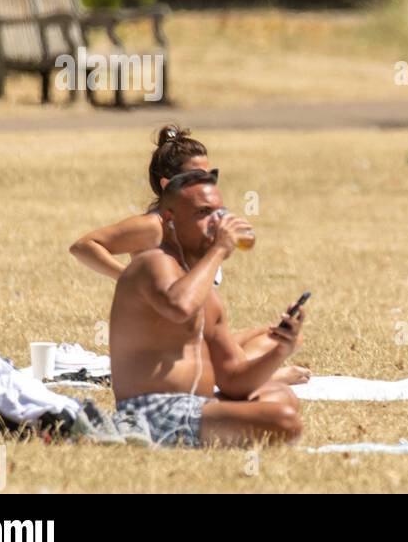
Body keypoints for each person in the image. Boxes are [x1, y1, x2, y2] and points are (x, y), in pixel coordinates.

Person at [70, 124, 311, 383]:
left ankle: (238, 371)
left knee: (287, 336)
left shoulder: (200, 225)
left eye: (209, 176)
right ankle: (261, 377)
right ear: (167, 185)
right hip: (165, 344)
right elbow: (83, 247)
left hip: (198, 332)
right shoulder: (153, 226)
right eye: (196, 177)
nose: (205, 184)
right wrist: (130, 279)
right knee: (255, 354)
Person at [109, 169, 303, 447]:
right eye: (202, 213)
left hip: (197, 404)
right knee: (283, 420)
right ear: (169, 220)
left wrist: (282, 349)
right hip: (151, 411)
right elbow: (179, 307)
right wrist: (219, 250)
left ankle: (222, 431)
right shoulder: (152, 263)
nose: (216, 223)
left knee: (281, 396)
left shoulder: (204, 290)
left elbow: (233, 381)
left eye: (219, 212)